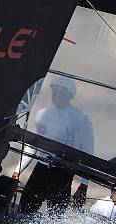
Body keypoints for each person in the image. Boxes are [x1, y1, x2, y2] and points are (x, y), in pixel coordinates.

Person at [11, 76, 94, 214]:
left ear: (70, 95)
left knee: (56, 215)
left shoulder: (82, 119)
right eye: (55, 91)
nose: (57, 95)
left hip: (64, 172)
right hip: (41, 168)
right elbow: (33, 146)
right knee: (25, 208)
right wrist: (17, 172)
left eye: (61, 92)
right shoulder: (43, 114)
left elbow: (88, 153)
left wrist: (84, 185)